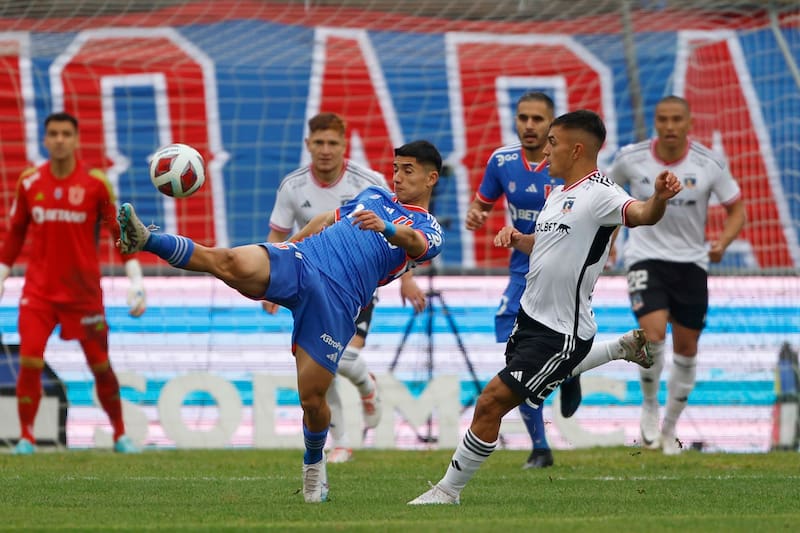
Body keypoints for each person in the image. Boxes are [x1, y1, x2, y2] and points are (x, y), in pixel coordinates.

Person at [118, 140, 445, 503]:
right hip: (302, 259)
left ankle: (313, 466)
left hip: (336, 301)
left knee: (312, 399)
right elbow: (324, 220)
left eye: (408, 170)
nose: (397, 177)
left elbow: (414, 241)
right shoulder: (372, 195)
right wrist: (289, 246)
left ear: (431, 178)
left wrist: (385, 227)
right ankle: (146, 238)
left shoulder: (429, 227)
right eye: (396, 168)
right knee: (228, 262)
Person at [409, 110, 682, 505]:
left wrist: (658, 197)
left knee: (491, 402)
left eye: (552, 142)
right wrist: (519, 238)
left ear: (576, 149)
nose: (544, 150)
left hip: (561, 332)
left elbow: (641, 214)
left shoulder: (602, 192)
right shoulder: (558, 194)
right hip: (530, 319)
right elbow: (547, 243)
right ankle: (620, 349)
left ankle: (447, 491)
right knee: (523, 395)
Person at [265, 112, 425, 463]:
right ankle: (340, 439)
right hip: (308, 277)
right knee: (322, 361)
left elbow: (401, 227)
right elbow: (277, 233)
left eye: (332, 143)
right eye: (318, 143)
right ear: (308, 145)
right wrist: (271, 277)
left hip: (358, 283)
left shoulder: (368, 181)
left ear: (344, 146)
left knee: (339, 356)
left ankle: (366, 386)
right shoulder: (292, 186)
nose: (325, 150)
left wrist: (408, 279)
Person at [0, 111, 146, 455]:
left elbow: (120, 234)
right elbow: (15, 234)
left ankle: (121, 434)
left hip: (83, 296)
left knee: (100, 366)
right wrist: (2, 274)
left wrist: (136, 282)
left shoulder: (96, 184)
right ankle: (26, 438)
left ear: (77, 139)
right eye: (54, 133)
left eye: (67, 133)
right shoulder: (29, 182)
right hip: (38, 294)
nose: (60, 139)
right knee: (30, 360)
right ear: (45, 139)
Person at [607, 96, 746, 455]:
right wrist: (609, 240)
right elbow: (604, 197)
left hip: (691, 264)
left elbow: (736, 210)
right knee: (652, 335)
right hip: (644, 257)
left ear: (689, 123)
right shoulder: (630, 158)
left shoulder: (709, 162)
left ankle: (669, 429)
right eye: (663, 119)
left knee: (686, 349)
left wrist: (723, 243)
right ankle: (650, 405)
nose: (669, 126)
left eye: (676, 120)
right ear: (655, 122)